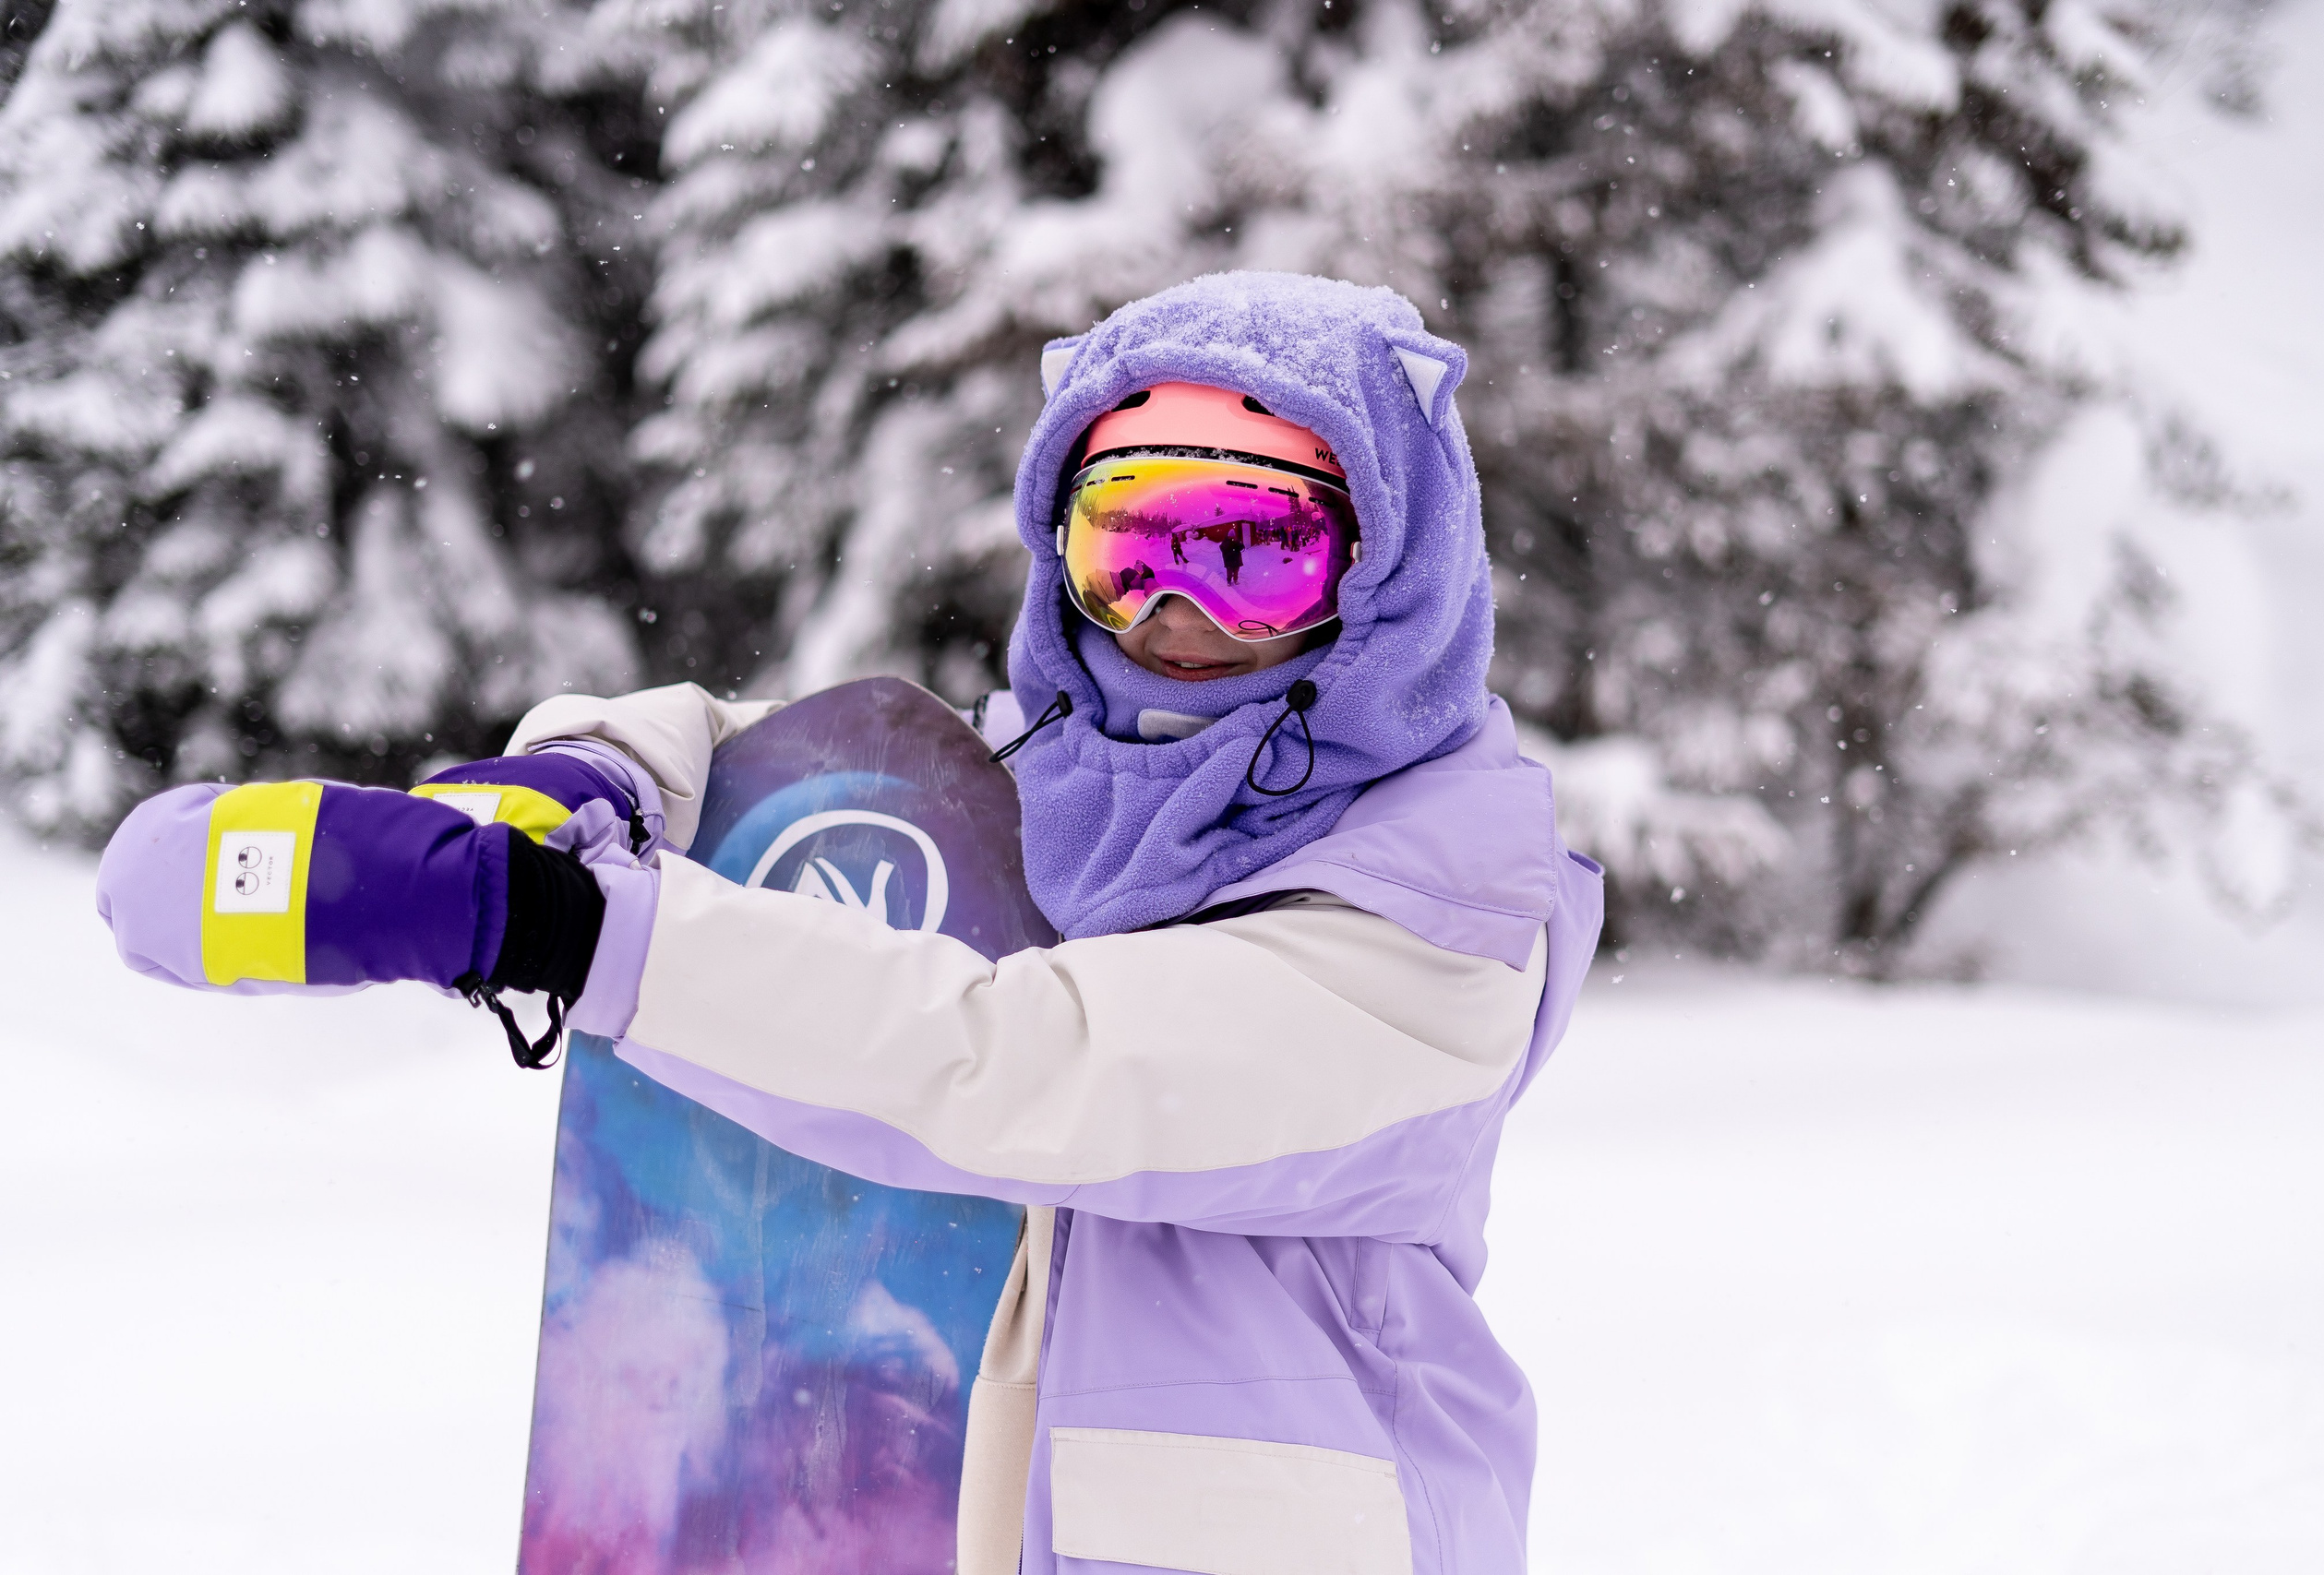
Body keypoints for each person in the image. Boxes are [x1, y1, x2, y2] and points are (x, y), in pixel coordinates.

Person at [96, 271, 1602, 1575]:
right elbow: (796, 763)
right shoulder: (1055, 793)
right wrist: (594, 777)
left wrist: (587, 942)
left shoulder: (1444, 918)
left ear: (1391, 579)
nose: (1170, 614)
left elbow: (1028, 1067)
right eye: (1126, 544)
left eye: (1250, 551)